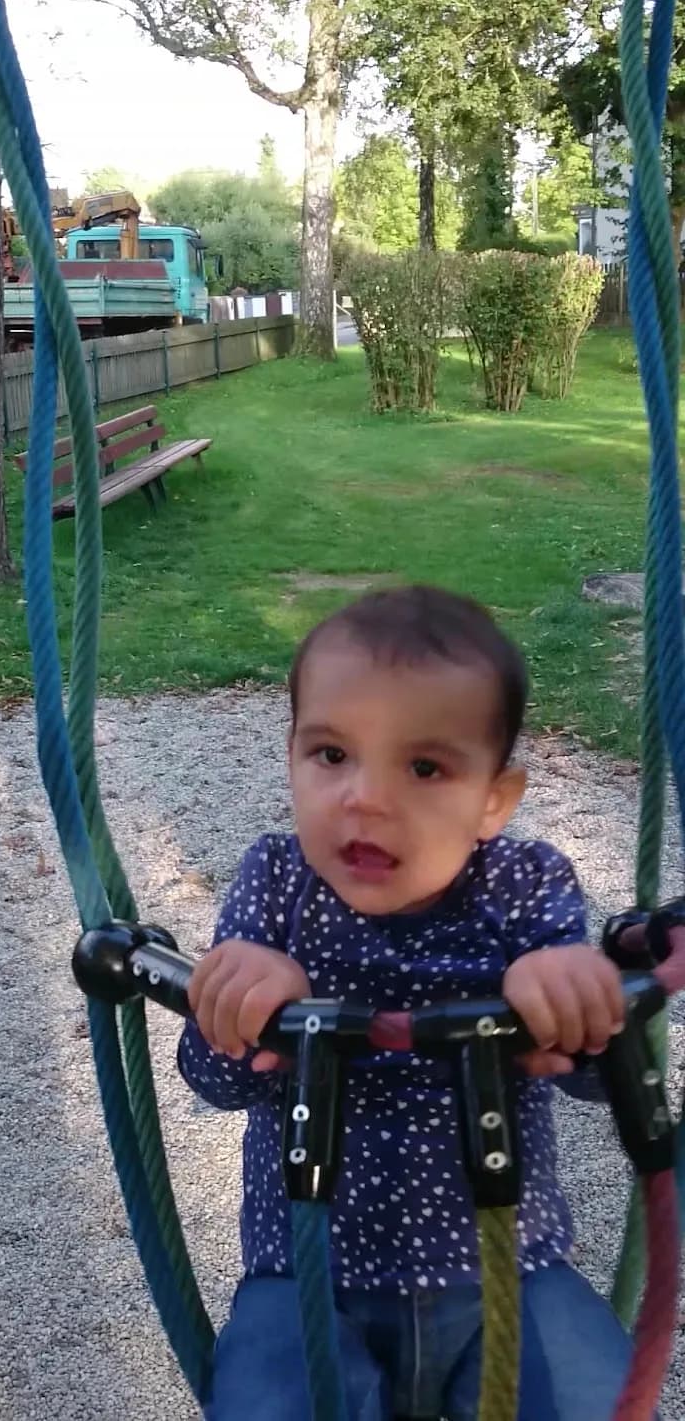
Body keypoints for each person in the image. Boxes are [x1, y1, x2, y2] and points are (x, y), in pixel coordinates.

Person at [178, 585, 634, 1421]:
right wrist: (241, 1000)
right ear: (290, 757)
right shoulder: (277, 885)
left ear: (494, 800)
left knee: (605, 1397)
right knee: (262, 1404)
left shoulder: (526, 888)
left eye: (423, 767)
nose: (366, 798)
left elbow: (602, 1080)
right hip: (310, 1270)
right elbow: (215, 1080)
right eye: (330, 755)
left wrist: (574, 999)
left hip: (509, 1263)